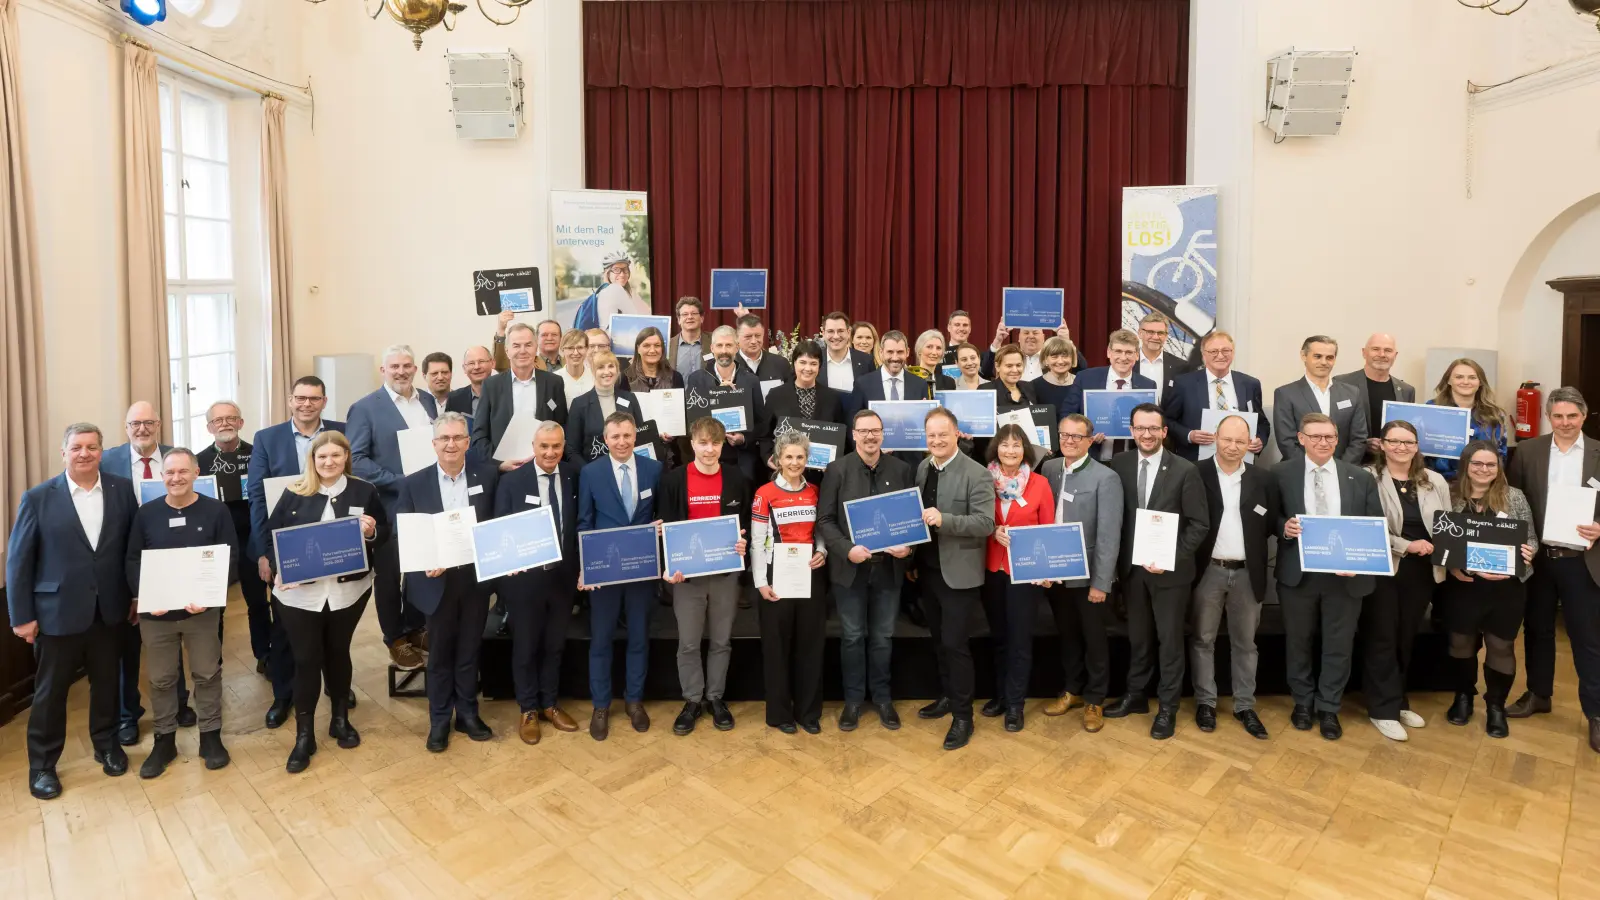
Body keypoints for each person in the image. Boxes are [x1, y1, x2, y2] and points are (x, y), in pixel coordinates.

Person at [8, 424, 138, 800]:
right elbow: (19, 562)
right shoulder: (38, 498)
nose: (85, 453)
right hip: (57, 614)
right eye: (77, 447)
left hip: (109, 610)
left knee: (107, 685)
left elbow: (129, 550)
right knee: (50, 694)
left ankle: (107, 745)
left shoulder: (120, 489)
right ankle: (43, 766)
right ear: (63, 452)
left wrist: (134, 596)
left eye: (92, 447)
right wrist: (21, 616)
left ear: (102, 451)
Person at [264, 431, 385, 774]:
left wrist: (372, 532)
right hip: (300, 595)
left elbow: (385, 533)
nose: (329, 462)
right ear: (312, 460)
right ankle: (304, 735)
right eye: (322, 457)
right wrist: (277, 567)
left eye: (336, 455)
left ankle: (340, 720)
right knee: (305, 659)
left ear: (346, 457)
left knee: (338, 652)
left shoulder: (365, 491)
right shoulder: (294, 494)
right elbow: (271, 538)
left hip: (348, 591)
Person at [125, 447, 239, 778]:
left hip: (200, 612)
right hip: (157, 613)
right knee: (161, 679)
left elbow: (229, 558)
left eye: (182, 472)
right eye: (170, 473)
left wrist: (209, 596)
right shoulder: (145, 514)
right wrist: (147, 595)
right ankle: (164, 741)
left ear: (195, 473)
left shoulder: (216, 511)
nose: (176, 478)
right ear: (162, 477)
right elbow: (133, 560)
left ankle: (210, 736)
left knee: (206, 673)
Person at [1273, 412, 1384, 741]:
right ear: (1301, 438)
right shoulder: (1281, 474)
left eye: (1330, 437)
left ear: (1337, 440)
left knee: (1338, 646)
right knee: (1298, 642)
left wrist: (1357, 559)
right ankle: (1303, 703)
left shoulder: (1359, 477)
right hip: (1299, 575)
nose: (1323, 442)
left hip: (1344, 577)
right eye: (1316, 436)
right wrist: (1283, 527)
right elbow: (1267, 517)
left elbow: (1374, 524)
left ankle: (1329, 707)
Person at [395, 412, 500, 753]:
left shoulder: (487, 475)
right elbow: (403, 533)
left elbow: (497, 524)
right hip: (435, 583)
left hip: (473, 581)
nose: (451, 444)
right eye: (445, 439)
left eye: (458, 438)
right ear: (434, 444)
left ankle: (468, 713)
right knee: (440, 654)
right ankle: (439, 719)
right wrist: (427, 559)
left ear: (468, 442)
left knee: (469, 650)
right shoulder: (414, 483)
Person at [247, 376, 349, 726]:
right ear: (290, 401)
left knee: (333, 623)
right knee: (286, 627)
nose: (307, 404)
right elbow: (258, 498)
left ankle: (336, 688)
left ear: (324, 401)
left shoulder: (341, 431)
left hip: (335, 545)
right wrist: (264, 552)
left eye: (314, 399)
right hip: (285, 548)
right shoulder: (267, 439)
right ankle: (284, 695)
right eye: (300, 398)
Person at [1104, 404, 1209, 740]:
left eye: (1153, 429)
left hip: (1170, 574)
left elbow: (1199, 524)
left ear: (1164, 432)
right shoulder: (1117, 465)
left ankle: (1168, 707)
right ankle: (1136, 696)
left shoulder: (1184, 469)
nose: (1146, 435)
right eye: (1140, 428)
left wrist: (1170, 557)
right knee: (1139, 638)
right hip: (1132, 572)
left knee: (1169, 641)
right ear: (1132, 431)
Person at [1505, 387, 1600, 747]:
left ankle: (1596, 712)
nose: (1564, 423)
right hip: (1539, 559)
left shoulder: (1599, 453)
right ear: (1548, 417)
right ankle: (1538, 694)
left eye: (1572, 416)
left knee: (1587, 638)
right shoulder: (1528, 451)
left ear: (1584, 415)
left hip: (1582, 560)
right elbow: (1513, 499)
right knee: (1537, 630)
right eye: (1558, 416)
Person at [817, 409, 914, 731]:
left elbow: (910, 520)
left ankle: (883, 699)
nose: (870, 436)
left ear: (883, 434)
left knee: (884, 637)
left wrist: (909, 547)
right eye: (863, 431)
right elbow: (826, 520)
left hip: (889, 570)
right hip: (851, 570)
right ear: (854, 434)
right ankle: (854, 701)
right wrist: (847, 550)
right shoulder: (837, 470)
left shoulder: (901, 470)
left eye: (875, 431)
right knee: (852, 637)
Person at [657, 417, 751, 735]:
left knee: (722, 641)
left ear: (723, 445)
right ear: (692, 444)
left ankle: (715, 698)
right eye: (703, 442)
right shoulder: (674, 480)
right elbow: (667, 528)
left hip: (725, 574)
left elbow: (746, 525)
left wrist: (743, 542)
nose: (709, 449)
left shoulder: (737, 478)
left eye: (715, 443)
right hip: (688, 577)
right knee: (688, 642)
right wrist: (668, 565)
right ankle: (693, 700)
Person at [912, 408, 998, 750]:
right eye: (931, 435)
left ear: (958, 434)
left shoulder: (977, 474)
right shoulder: (922, 467)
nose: (936, 441)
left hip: (960, 575)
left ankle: (964, 717)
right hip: (929, 570)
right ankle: (948, 696)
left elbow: (985, 524)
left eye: (943, 435)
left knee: (955, 645)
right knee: (939, 641)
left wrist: (944, 520)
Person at [1188, 414, 1278, 740]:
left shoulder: (1263, 480)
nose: (1232, 446)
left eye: (1240, 441)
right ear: (1215, 437)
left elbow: (1273, 523)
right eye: (1227, 439)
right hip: (1207, 571)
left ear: (1249, 443)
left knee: (1246, 644)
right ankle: (1206, 703)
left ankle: (1244, 705)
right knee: (1203, 640)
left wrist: (1289, 528)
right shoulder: (1194, 474)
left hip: (1247, 574)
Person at [491, 421, 581, 744]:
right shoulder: (512, 482)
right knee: (526, 646)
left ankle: (550, 704)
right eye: (544, 446)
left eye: (556, 446)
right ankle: (528, 708)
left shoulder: (572, 476)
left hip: (562, 578)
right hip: (525, 582)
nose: (550, 452)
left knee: (555, 645)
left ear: (563, 446)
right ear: (533, 446)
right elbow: (500, 528)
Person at [348, 345, 437, 669]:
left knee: (416, 571)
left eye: (407, 366)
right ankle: (394, 637)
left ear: (415, 369)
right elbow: (356, 459)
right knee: (388, 576)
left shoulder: (426, 400)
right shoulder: (365, 408)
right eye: (394, 366)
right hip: (387, 506)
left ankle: (414, 628)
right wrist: (399, 481)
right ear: (383, 370)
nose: (401, 371)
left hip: (424, 505)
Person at [577, 413, 664, 740]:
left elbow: (660, 513)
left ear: (635, 437)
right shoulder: (591, 472)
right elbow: (584, 522)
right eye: (615, 437)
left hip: (642, 570)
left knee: (639, 638)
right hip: (605, 572)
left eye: (627, 435)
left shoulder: (653, 470)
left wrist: (660, 527)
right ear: (605, 439)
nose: (623, 442)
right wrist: (586, 565)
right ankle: (601, 705)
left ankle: (634, 701)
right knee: (600, 641)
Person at [1443, 442, 1538, 739]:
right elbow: (1443, 541)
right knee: (1461, 642)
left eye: (1490, 465)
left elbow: (1532, 540)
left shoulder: (1514, 497)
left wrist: (1527, 553)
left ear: (1499, 469)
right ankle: (1463, 696)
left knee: (1501, 646)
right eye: (1477, 464)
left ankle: (1495, 706)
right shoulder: (1451, 496)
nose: (1484, 470)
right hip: (1465, 584)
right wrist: (1458, 565)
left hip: (1505, 588)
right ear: (1466, 466)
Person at [1362, 420, 1449, 742]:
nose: (1402, 447)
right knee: (1382, 636)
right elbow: (1366, 525)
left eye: (1408, 442)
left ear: (1417, 446)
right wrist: (1404, 545)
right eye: (1394, 441)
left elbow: (1448, 524)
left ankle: (1398, 701)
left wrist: (1443, 552)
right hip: (1385, 567)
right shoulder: (1369, 478)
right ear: (1382, 445)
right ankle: (1381, 709)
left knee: (1405, 637)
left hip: (1423, 571)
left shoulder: (1434, 481)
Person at [1039, 414, 1122, 732]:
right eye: (1064, 435)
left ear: (1090, 440)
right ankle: (1072, 690)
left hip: (1089, 578)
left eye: (1077, 436)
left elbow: (1109, 534)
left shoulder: (1105, 478)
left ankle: (1095, 699)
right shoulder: (1049, 469)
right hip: (1056, 573)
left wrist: (1101, 582)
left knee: (1094, 638)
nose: (1069, 441)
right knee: (1068, 635)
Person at [99, 401, 174, 745]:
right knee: (127, 645)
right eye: (134, 424)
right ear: (125, 427)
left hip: (172, 560)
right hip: (122, 563)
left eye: (148, 422)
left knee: (175, 634)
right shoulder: (108, 460)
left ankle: (180, 703)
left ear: (159, 424)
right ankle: (128, 714)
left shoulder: (178, 456)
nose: (142, 429)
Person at [750, 430, 829, 733]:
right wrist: (760, 582)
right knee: (777, 647)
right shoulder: (764, 494)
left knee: (810, 646)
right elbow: (757, 543)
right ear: (778, 460)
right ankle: (780, 714)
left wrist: (822, 551)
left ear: (807, 459)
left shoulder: (815, 491)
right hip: (775, 577)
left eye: (800, 457)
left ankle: (808, 714)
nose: (794, 462)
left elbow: (820, 530)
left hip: (810, 575)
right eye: (789, 457)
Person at [980, 424, 1055, 732]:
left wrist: (1048, 570)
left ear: (1026, 449)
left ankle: (1015, 704)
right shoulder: (983, 480)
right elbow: (976, 518)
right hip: (992, 569)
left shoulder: (1039, 483)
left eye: (1016, 445)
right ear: (995, 448)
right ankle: (1000, 695)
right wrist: (991, 530)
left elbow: (1049, 528)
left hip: (1025, 572)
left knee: (1020, 640)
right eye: (1004, 445)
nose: (1010, 450)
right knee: (999, 637)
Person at [196, 401, 268, 679]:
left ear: (240, 422)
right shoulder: (197, 462)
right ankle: (213, 663)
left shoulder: (258, 454)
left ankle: (265, 655)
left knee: (258, 602)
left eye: (230, 419)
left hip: (252, 538)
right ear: (209, 427)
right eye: (218, 420)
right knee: (214, 606)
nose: (224, 424)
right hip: (214, 543)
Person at [470, 322, 570, 466]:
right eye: (516, 345)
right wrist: (498, 464)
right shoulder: (491, 385)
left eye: (528, 345)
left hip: (544, 466)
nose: (522, 351)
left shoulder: (554, 382)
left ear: (536, 348)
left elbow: (562, 425)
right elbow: (479, 435)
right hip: (504, 472)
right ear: (507, 350)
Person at [1163, 330, 1268, 461]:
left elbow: (1262, 423)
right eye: (1213, 351)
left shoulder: (1250, 384)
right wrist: (1189, 435)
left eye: (1226, 351)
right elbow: (1167, 420)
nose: (1220, 355)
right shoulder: (1184, 384)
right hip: (1195, 462)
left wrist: (1260, 440)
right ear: (1203, 355)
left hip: (1239, 461)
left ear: (1233, 353)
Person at [684, 325, 764, 482]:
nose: (724, 350)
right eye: (719, 345)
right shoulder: (697, 379)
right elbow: (692, 422)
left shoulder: (751, 380)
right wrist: (718, 394)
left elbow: (761, 422)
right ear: (712, 348)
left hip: (741, 459)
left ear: (737, 347)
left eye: (729, 345)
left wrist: (744, 439)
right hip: (708, 456)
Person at [1272, 335, 1369, 464]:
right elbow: (1286, 441)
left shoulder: (1352, 393)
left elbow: (1359, 439)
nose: (1324, 362)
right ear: (1304, 356)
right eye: (1317, 356)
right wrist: (1311, 469)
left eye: (1329, 357)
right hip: (1300, 471)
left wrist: (1340, 469)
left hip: (1343, 471)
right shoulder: (1285, 394)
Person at [1063, 330, 1157, 462]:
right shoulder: (1086, 378)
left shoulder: (1148, 385)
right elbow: (1067, 415)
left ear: (1137, 355)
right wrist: (1086, 434)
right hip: (1091, 459)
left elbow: (1153, 424)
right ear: (1109, 352)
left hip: (1131, 461)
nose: (1123, 357)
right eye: (1118, 351)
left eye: (1129, 352)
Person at [760, 340, 844, 481]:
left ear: (820, 366)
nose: (808, 368)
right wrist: (768, 456)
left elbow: (841, 437)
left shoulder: (832, 398)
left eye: (813, 363)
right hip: (785, 473)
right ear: (794, 363)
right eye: (803, 362)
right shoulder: (776, 395)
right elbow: (763, 435)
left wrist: (835, 463)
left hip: (822, 477)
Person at [1333, 332, 1415, 460]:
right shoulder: (1341, 383)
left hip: (1390, 463)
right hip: (1351, 462)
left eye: (1388, 350)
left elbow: (1406, 430)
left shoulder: (1406, 390)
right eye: (1375, 349)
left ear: (1395, 355)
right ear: (1364, 352)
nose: (1382, 354)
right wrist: (1363, 443)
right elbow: (1333, 425)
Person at [1425, 358, 1510, 480]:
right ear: (1448, 380)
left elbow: (1501, 455)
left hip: (1481, 484)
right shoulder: (1432, 409)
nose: (1465, 382)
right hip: (1439, 484)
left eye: (1472, 377)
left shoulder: (1495, 415)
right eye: (1459, 377)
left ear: (1480, 382)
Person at [567, 350, 640, 466]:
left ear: (617, 370)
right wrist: (589, 473)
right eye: (600, 367)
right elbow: (572, 450)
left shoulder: (630, 399)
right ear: (593, 371)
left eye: (611, 366)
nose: (607, 372)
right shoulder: (579, 404)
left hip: (627, 469)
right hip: (594, 473)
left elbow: (641, 437)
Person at [626, 326, 685, 464]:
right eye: (646, 345)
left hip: (670, 452)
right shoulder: (625, 378)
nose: (652, 350)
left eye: (657, 345)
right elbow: (623, 416)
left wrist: (673, 433)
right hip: (635, 452)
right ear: (638, 348)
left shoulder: (676, 377)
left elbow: (680, 415)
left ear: (662, 349)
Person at [1133, 311, 1197, 403]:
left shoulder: (1181, 367)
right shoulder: (1127, 363)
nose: (1155, 337)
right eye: (1150, 332)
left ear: (1166, 336)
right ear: (1140, 333)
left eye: (1160, 333)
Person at [818, 310, 875, 399]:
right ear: (823, 333)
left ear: (848, 332)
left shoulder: (866, 361)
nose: (836, 336)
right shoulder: (815, 360)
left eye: (840, 331)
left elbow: (871, 395)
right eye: (830, 331)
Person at [735, 314, 794, 387]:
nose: (753, 341)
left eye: (757, 336)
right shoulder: (729, 366)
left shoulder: (780, 363)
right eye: (748, 337)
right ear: (737, 338)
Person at [594, 251, 649, 323]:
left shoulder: (602, 292)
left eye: (625, 269)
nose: (622, 274)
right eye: (616, 270)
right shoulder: (615, 290)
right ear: (607, 273)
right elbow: (638, 321)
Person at [446, 345, 497, 418]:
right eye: (471, 363)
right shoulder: (454, 398)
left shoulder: (506, 393)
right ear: (464, 368)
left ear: (492, 363)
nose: (477, 367)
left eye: (481, 361)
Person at [987, 344, 1040, 414]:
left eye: (1018, 365)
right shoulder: (986, 390)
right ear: (997, 366)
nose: (1015, 370)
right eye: (1009, 366)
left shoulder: (1029, 387)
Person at [1031, 336, 1077, 415]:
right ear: (1045, 360)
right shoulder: (1034, 386)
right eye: (1054, 357)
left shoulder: (1081, 383)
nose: (1060, 361)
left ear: (1072, 358)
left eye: (1065, 356)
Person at [553, 329, 595, 409]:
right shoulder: (553, 379)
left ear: (586, 349)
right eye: (570, 348)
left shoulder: (595, 376)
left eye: (580, 347)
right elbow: (549, 405)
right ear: (562, 351)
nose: (575, 352)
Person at [668, 296, 710, 376]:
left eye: (694, 313)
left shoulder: (715, 340)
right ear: (678, 320)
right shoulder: (668, 346)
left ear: (702, 318)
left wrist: (742, 317)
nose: (690, 317)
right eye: (685, 314)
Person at [913, 330, 954, 394]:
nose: (934, 353)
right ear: (919, 350)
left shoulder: (949, 383)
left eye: (938, 348)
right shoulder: (909, 379)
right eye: (929, 347)